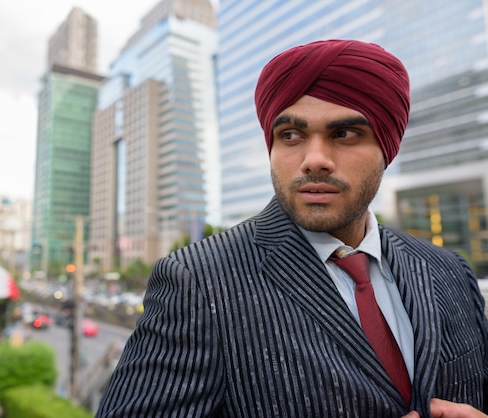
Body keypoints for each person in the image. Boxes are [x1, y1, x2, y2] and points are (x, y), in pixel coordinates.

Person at [95, 39, 488, 417]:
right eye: (291, 135)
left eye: (345, 134)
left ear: (387, 147)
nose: (314, 160)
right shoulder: (198, 281)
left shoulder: (448, 270)